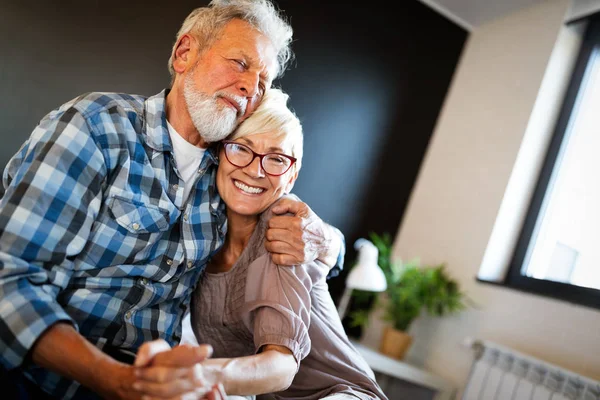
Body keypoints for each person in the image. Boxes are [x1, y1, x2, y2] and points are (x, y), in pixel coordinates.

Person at [0, 1, 344, 399]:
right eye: (239, 63)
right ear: (184, 54)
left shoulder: (234, 172)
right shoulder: (97, 127)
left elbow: (298, 225)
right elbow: (10, 278)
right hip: (33, 377)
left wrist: (325, 239)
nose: (251, 86)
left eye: (263, 82)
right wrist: (113, 379)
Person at [133, 88, 388, 400]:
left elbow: (281, 366)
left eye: (277, 158)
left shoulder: (284, 226)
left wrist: (197, 376)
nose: (255, 170)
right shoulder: (200, 235)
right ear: (219, 154)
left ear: (291, 175)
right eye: (242, 149)